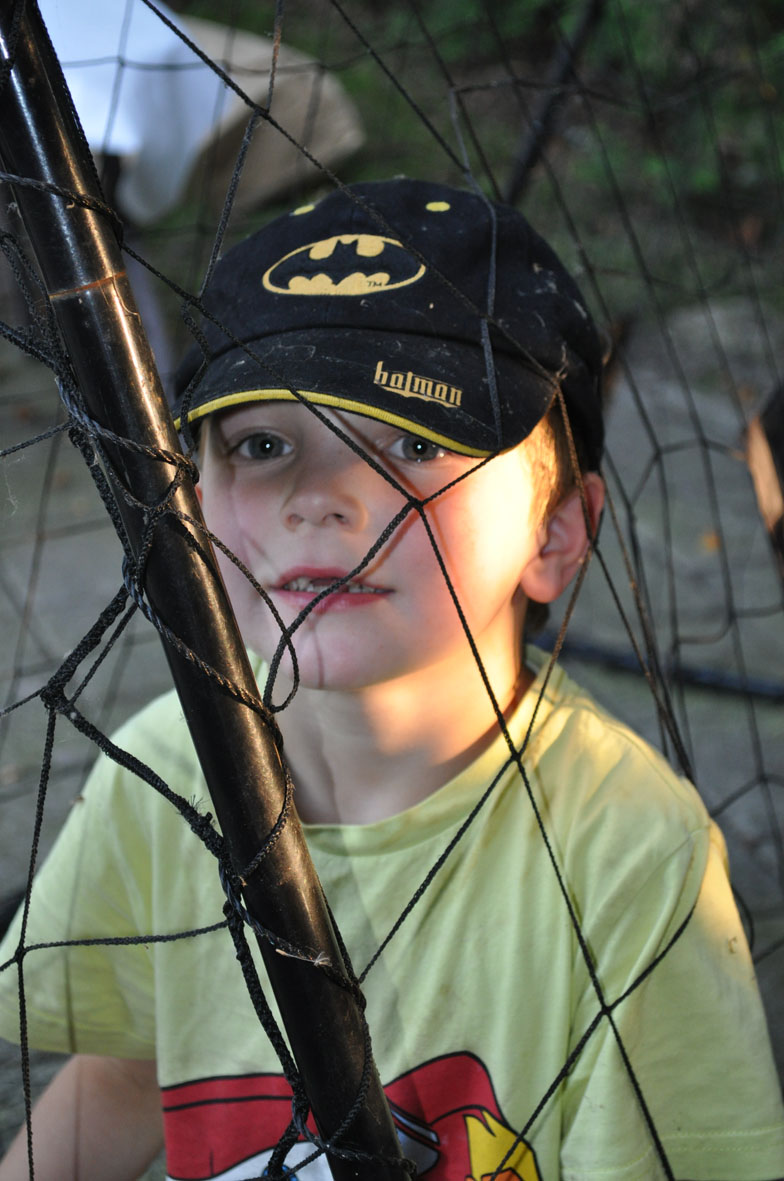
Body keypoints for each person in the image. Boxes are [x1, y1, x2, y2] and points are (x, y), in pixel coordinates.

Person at [0, 179, 782, 1181]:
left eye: (414, 442)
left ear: (555, 532)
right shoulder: (163, 770)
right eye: (263, 444)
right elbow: (129, 1070)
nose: (320, 496)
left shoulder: (629, 855)